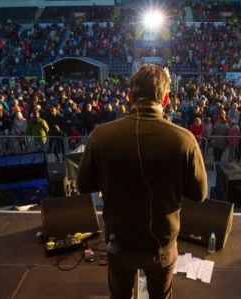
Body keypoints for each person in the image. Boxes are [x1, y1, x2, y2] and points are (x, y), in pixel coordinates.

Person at [77, 64, 208, 299]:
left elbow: (83, 185)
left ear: (129, 96)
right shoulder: (184, 139)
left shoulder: (101, 135)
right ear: (166, 99)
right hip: (162, 247)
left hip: (119, 243)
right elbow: (199, 194)